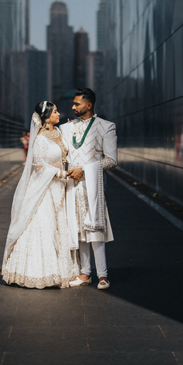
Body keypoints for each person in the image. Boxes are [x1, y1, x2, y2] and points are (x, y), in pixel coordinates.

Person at [2, 101, 80, 288]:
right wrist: (61, 173)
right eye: (55, 112)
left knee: (60, 225)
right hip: (44, 188)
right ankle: (40, 272)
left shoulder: (59, 133)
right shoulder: (39, 139)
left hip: (60, 187)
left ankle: (63, 271)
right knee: (44, 225)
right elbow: (38, 167)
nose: (58, 113)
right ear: (46, 117)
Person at [65, 87, 117, 290]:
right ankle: (85, 273)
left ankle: (103, 275)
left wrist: (84, 171)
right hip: (72, 186)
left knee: (95, 228)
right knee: (78, 229)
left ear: (89, 105)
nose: (73, 107)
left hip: (92, 185)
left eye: (77, 104)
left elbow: (111, 160)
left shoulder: (106, 126)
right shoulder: (67, 128)